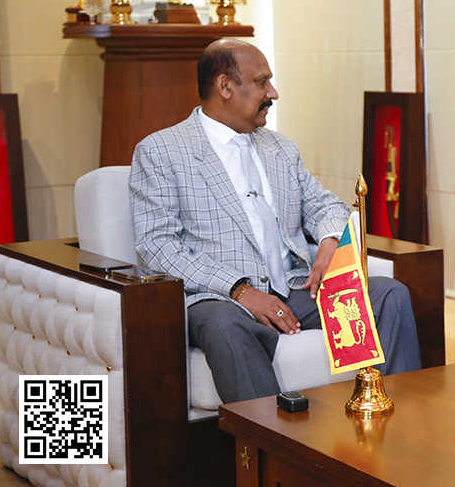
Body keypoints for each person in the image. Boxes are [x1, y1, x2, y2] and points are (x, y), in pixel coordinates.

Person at [129, 38, 421, 403]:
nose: (274, 93)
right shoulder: (161, 152)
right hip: (218, 300)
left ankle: (398, 420)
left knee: (389, 295)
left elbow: (325, 205)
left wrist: (331, 241)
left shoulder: (280, 147)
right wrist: (241, 290)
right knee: (224, 326)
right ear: (225, 87)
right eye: (262, 82)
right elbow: (157, 246)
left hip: (295, 289)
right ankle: (272, 448)